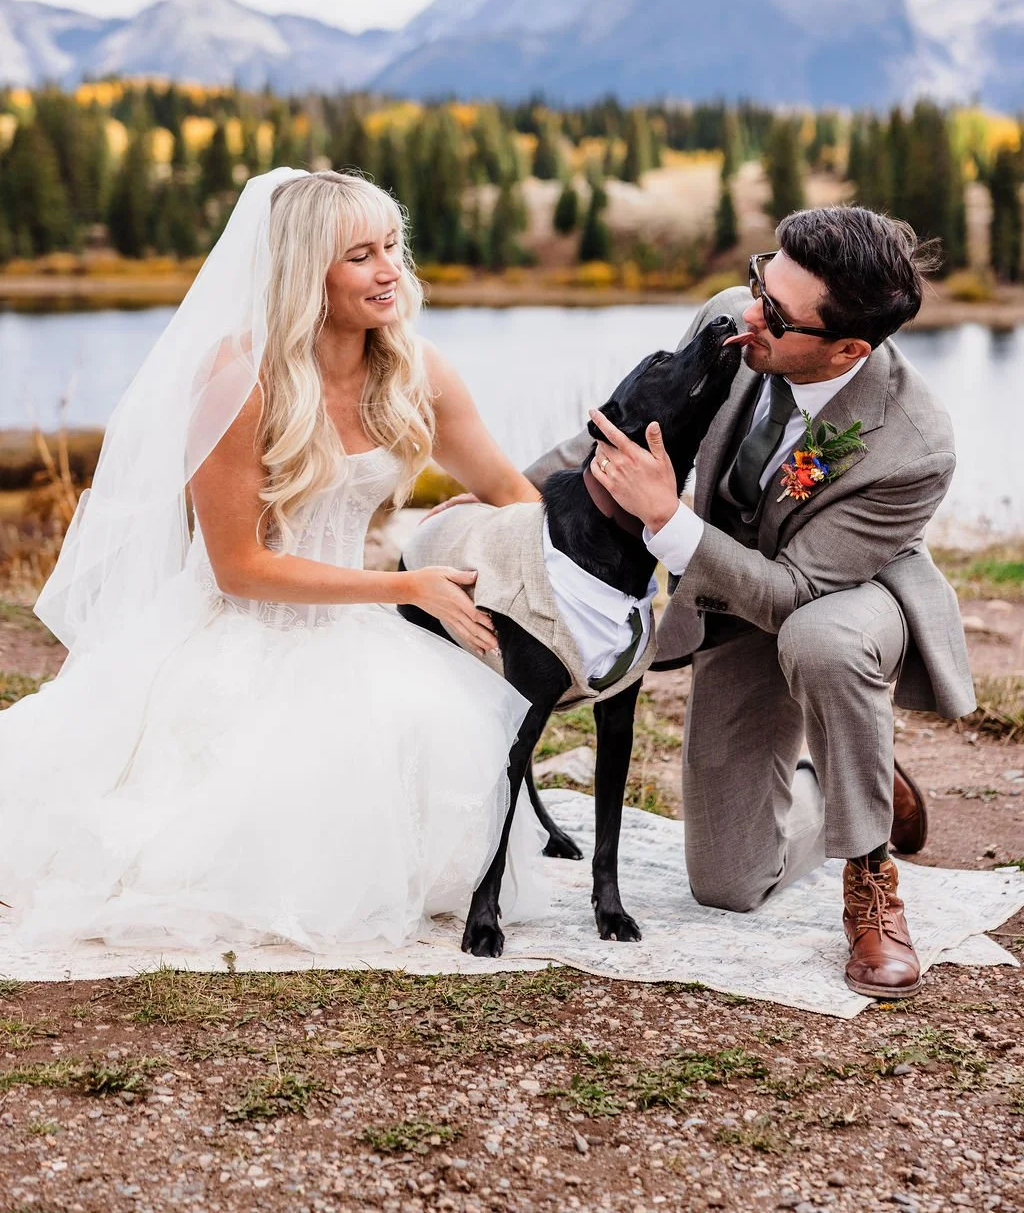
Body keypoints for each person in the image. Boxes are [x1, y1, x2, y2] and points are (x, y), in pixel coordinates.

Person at [0, 168, 546, 954]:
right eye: (360, 254)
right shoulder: (240, 377)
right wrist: (405, 582)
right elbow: (238, 566)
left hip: (354, 631)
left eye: (393, 246)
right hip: (232, 627)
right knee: (178, 842)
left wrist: (481, 534)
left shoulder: (417, 372)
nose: (390, 269)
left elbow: (510, 490)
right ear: (303, 271)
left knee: (425, 753)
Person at [526, 207, 975, 999]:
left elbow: (800, 589)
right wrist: (494, 502)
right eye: (760, 280)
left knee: (821, 641)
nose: (751, 312)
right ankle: (838, 777)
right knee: (727, 884)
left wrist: (667, 519)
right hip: (730, 591)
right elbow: (620, 436)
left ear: (847, 349)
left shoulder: (913, 442)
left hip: (845, 593)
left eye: (778, 311)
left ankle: (870, 875)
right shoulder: (738, 318)